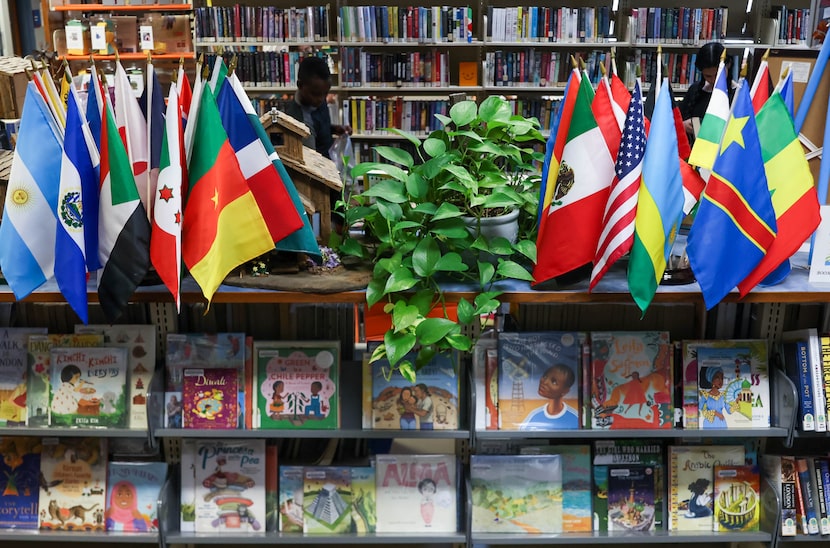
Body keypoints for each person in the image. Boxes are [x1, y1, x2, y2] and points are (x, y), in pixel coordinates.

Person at [283, 56, 350, 159]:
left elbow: (317, 127)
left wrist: (333, 129)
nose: (321, 99)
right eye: (316, 94)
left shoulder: (315, 99)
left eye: (325, 93)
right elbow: (310, 162)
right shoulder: (297, 121)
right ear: (300, 85)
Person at [680, 42, 735, 141]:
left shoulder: (738, 94)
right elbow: (678, 120)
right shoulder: (695, 90)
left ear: (729, 65)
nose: (714, 80)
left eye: (718, 74)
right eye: (708, 76)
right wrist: (683, 126)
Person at [519, 363, 579, 430]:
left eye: (554, 382)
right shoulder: (533, 416)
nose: (545, 382)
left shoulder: (576, 418)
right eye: (545, 377)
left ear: (565, 391)